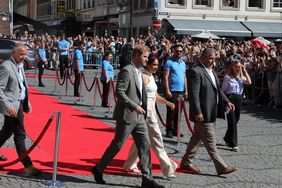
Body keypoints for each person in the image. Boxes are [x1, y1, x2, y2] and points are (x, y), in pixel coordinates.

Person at [91, 45, 164, 188]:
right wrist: (134, 106)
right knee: (117, 145)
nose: (147, 59)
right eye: (144, 57)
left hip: (139, 116)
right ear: (136, 56)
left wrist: (142, 108)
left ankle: (147, 178)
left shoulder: (140, 71)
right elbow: (120, 92)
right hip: (127, 115)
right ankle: (98, 168)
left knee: (145, 144)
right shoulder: (127, 70)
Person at [180, 48, 237, 176]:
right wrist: (198, 112)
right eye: (211, 58)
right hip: (203, 113)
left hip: (212, 112)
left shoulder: (212, 71)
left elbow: (218, 90)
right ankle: (222, 167)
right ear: (203, 57)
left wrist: (227, 101)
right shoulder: (196, 71)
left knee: (197, 138)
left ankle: (186, 163)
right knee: (211, 142)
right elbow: (194, 95)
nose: (213, 61)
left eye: (214, 58)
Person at [123, 53, 178, 178]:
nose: (156, 67)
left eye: (157, 65)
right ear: (147, 64)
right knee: (157, 139)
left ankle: (129, 165)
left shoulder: (151, 76)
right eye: (153, 64)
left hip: (151, 112)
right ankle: (168, 168)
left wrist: (167, 102)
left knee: (140, 140)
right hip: (145, 113)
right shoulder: (142, 76)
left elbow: (155, 95)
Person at [0, 43, 42, 176]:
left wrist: (27, 102)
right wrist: (8, 106)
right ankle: (27, 165)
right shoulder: (6, 67)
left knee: (7, 131)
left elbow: (22, 86)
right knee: (20, 134)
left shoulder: (20, 65)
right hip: (12, 107)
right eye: (21, 54)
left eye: (25, 54)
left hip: (19, 104)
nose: (24, 57)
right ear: (13, 53)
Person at [222, 54, 252, 152]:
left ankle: (227, 138)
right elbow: (223, 90)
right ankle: (233, 143)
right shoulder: (227, 77)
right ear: (232, 67)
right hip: (230, 99)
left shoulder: (240, 77)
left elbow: (249, 82)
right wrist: (226, 102)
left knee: (236, 120)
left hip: (239, 99)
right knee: (232, 121)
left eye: (239, 66)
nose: (238, 68)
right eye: (237, 66)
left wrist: (244, 70)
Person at [162, 44, 188, 138]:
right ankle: (169, 130)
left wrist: (186, 90)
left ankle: (175, 130)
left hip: (181, 91)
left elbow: (185, 77)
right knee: (171, 111)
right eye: (177, 51)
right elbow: (165, 77)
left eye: (181, 51)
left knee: (179, 112)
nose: (179, 53)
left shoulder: (183, 63)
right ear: (174, 51)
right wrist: (167, 90)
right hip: (172, 90)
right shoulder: (169, 62)